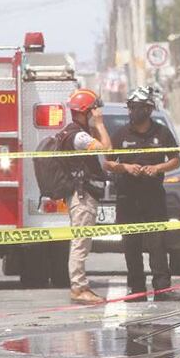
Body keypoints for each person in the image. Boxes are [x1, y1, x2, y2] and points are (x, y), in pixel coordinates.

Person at [103, 86, 180, 302]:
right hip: (128, 198)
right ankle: (137, 290)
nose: (132, 112)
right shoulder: (121, 134)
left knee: (157, 244)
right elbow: (108, 162)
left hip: (153, 197)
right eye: (130, 108)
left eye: (137, 108)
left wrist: (158, 168)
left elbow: (175, 159)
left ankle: (162, 289)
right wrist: (125, 168)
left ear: (148, 110)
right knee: (131, 246)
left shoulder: (161, 132)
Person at [60, 88, 112, 305]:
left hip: (81, 195)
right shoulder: (79, 136)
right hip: (82, 197)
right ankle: (79, 288)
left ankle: (80, 286)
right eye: (94, 110)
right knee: (81, 243)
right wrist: (99, 125)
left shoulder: (77, 132)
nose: (96, 114)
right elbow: (107, 149)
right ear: (85, 111)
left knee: (82, 242)